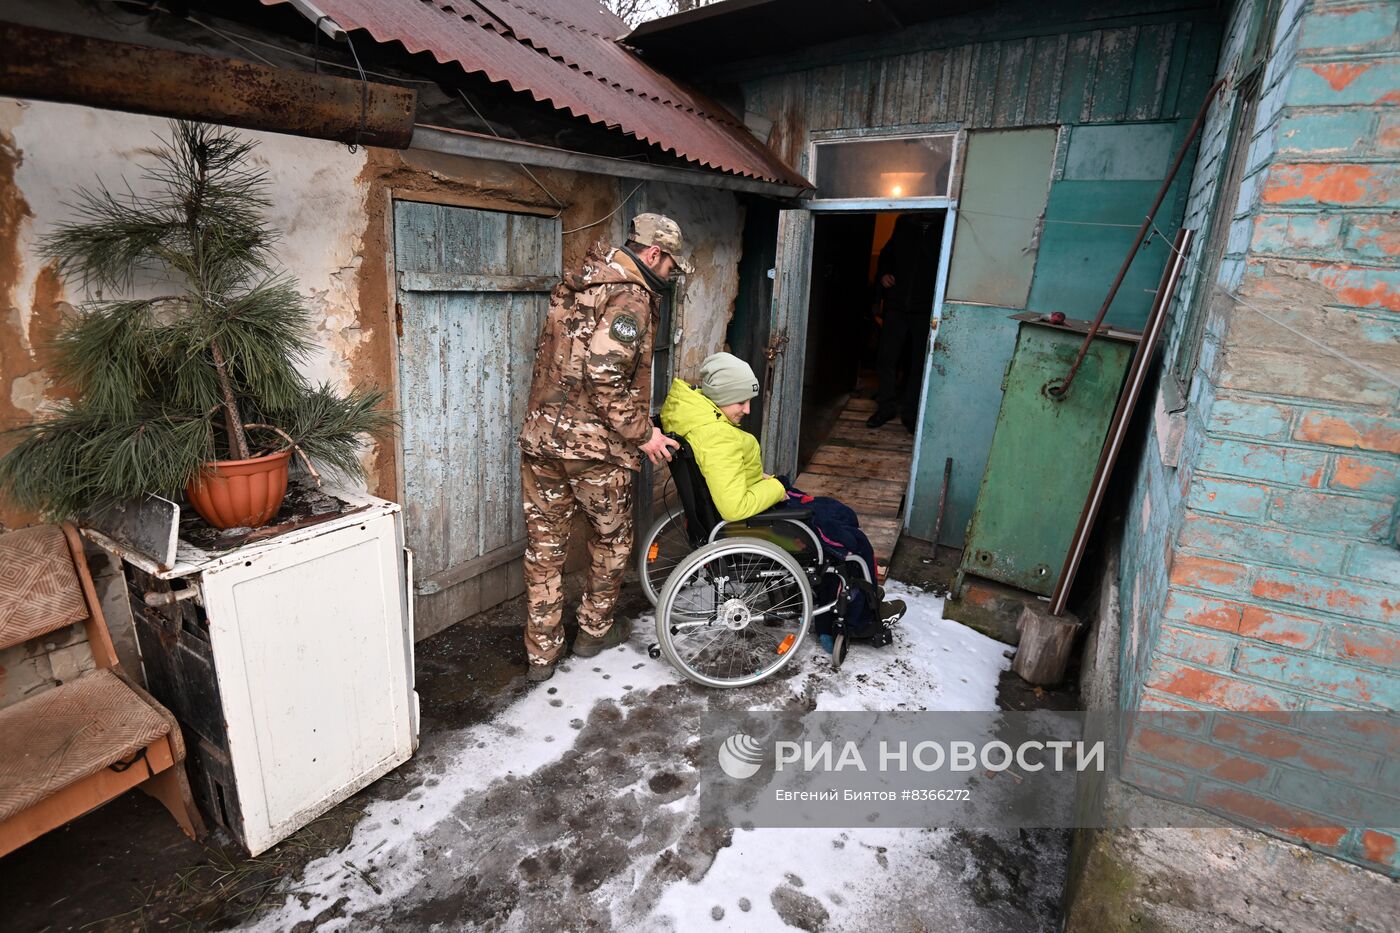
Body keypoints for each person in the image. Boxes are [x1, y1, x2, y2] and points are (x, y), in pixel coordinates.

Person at [516, 213, 692, 682]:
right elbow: (604, 373)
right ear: (654, 254)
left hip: (542, 440)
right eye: (672, 263)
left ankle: (541, 656)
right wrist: (643, 434)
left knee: (544, 549)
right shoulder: (630, 296)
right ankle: (593, 630)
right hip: (595, 450)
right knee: (611, 539)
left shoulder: (578, 281)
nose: (671, 274)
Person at [660, 352, 906, 647]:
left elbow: (728, 482)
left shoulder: (699, 417)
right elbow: (734, 506)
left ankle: (842, 596)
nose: (748, 410)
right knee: (852, 544)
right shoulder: (718, 439)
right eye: (741, 402)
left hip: (749, 508)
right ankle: (858, 622)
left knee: (840, 512)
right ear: (722, 396)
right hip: (751, 522)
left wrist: (763, 481)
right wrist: (776, 486)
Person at [868, 214, 943, 432]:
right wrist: (884, 275)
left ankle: (910, 412)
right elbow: (887, 255)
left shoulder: (945, 223)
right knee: (886, 359)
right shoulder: (904, 223)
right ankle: (886, 407)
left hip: (926, 309)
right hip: (897, 305)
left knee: (918, 362)